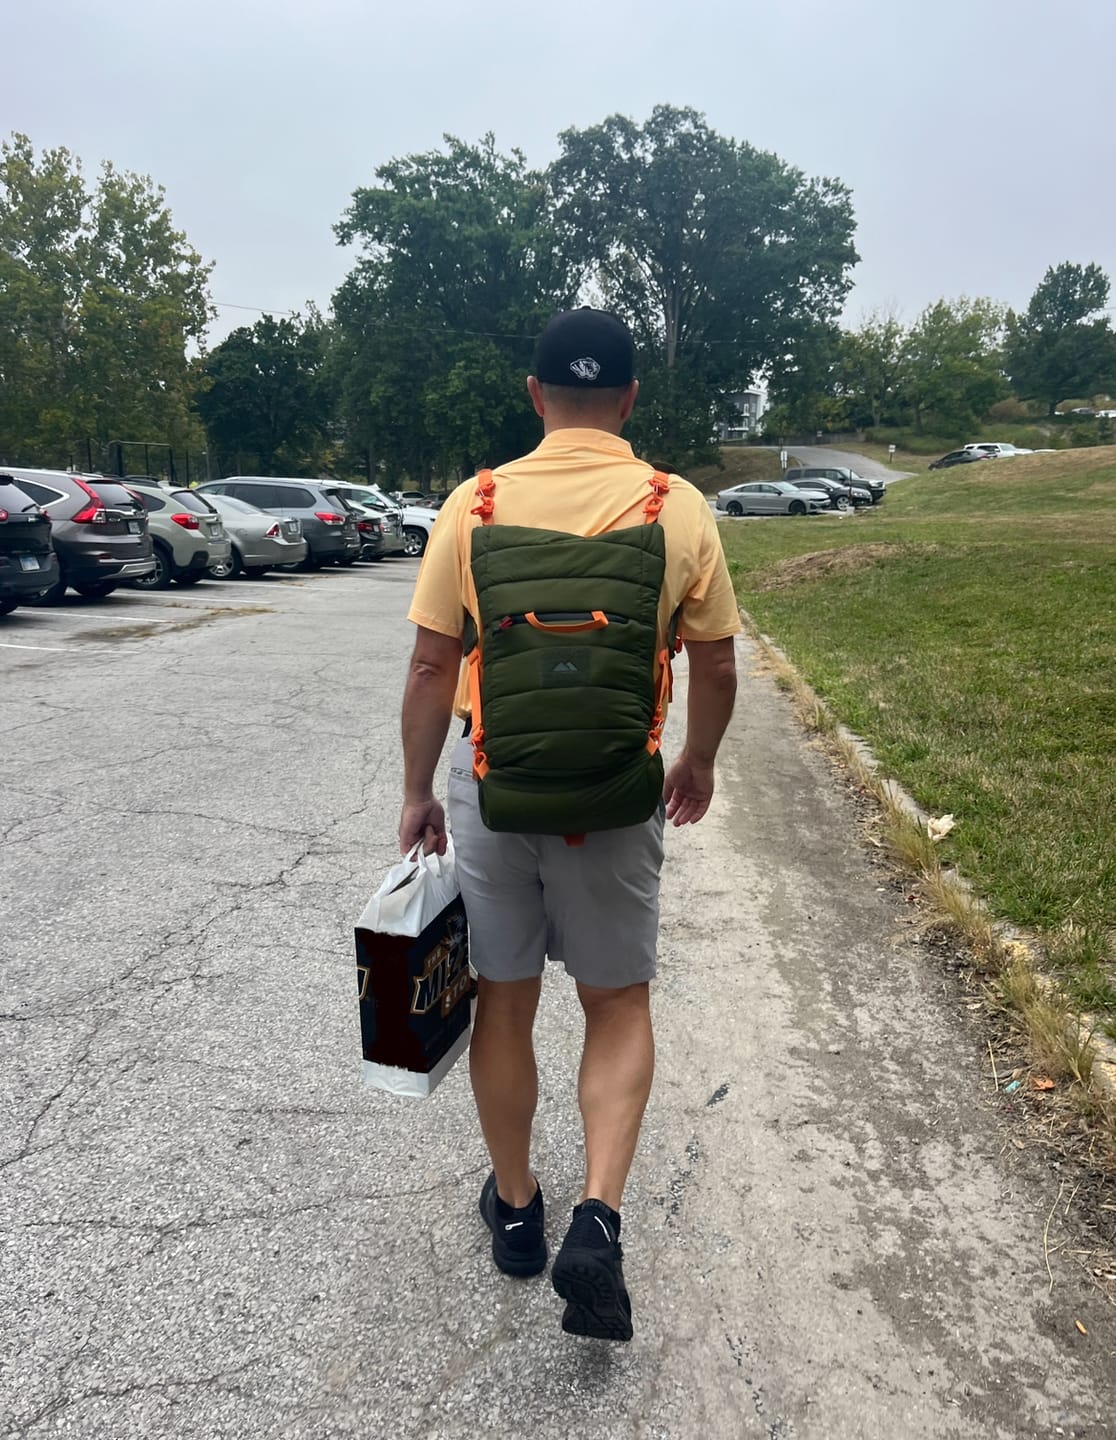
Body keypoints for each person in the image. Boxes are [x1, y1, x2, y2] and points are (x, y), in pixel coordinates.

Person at [398, 307, 740, 1342]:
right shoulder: (676, 507)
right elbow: (717, 662)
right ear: (630, 399)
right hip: (616, 796)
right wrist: (697, 762)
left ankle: (516, 1212)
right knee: (616, 1003)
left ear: (535, 396)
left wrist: (418, 793)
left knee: (504, 1003)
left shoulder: (475, 503)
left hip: (493, 786)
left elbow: (431, 665)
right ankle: (598, 1214)